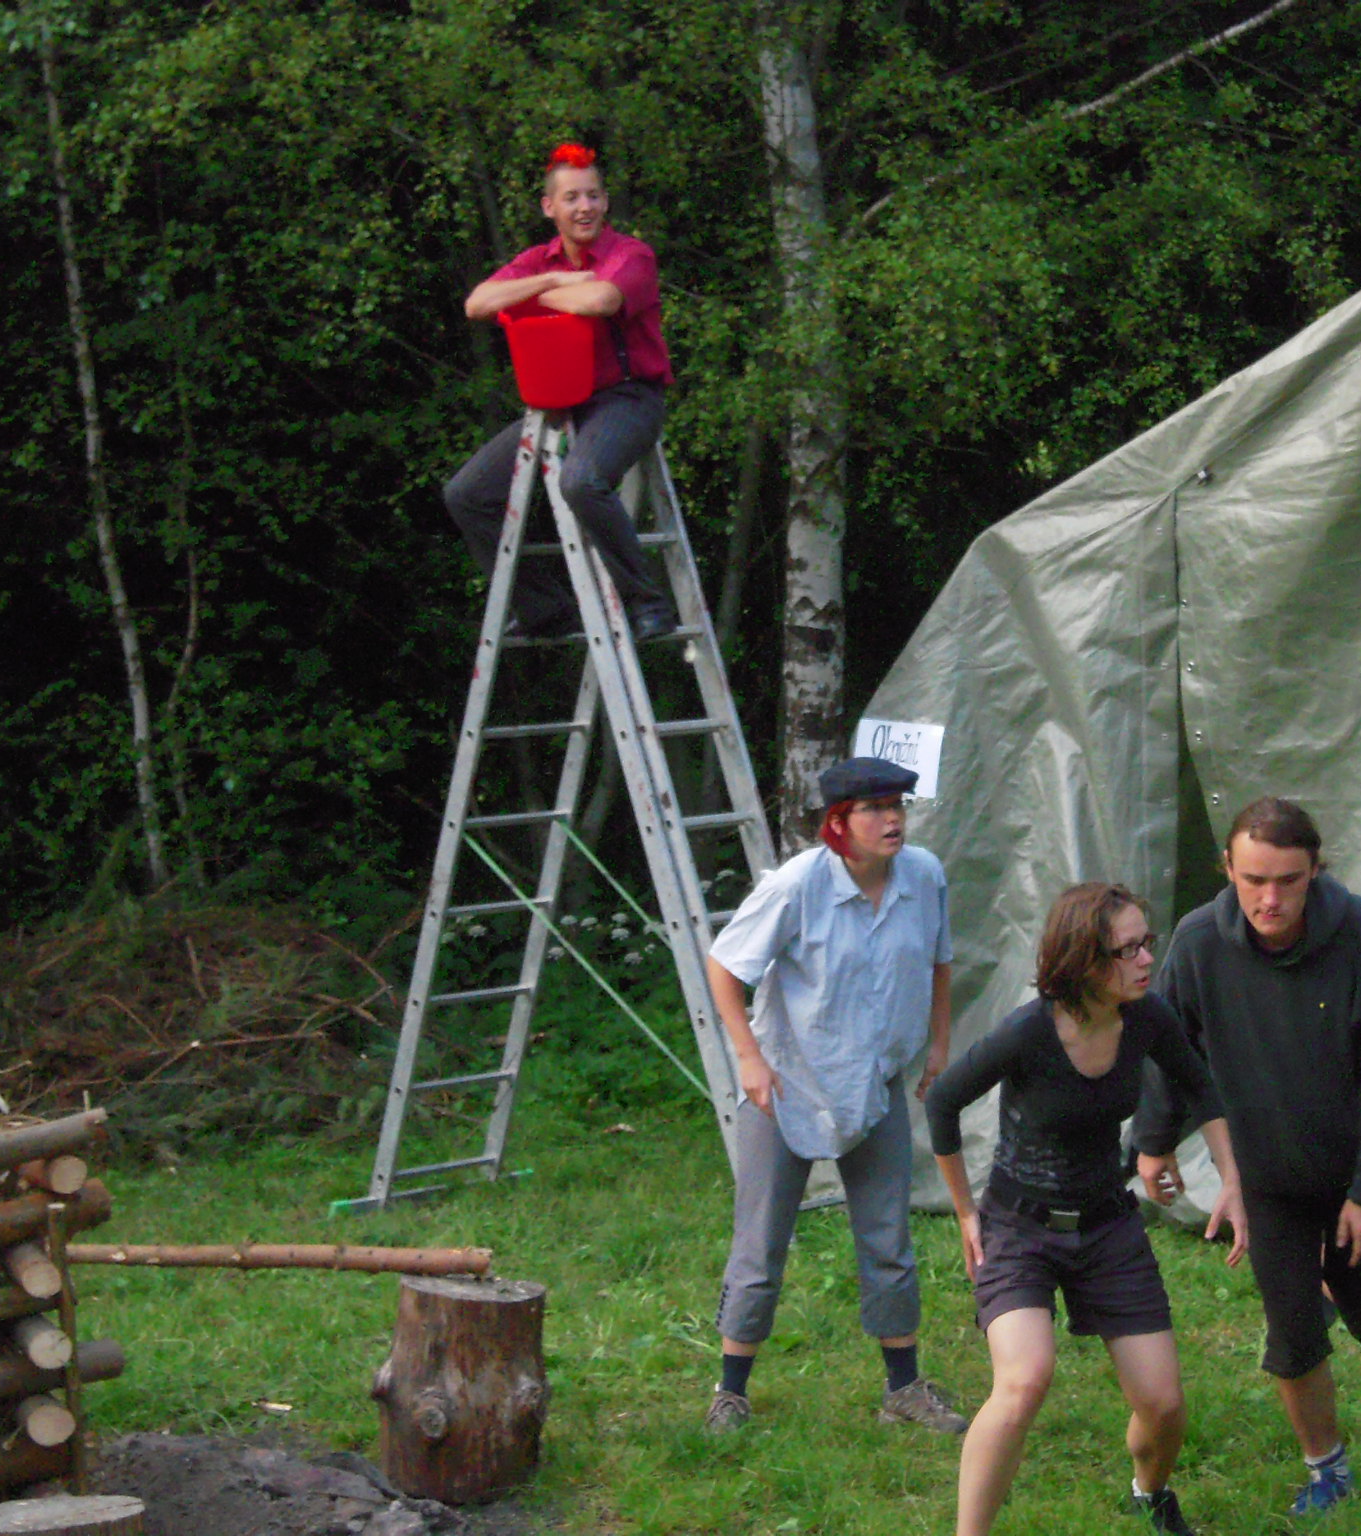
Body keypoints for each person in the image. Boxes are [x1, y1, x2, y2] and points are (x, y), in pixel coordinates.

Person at [927, 882, 1247, 1536]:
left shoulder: (1147, 1017)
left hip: (1107, 1227)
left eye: (1146, 943)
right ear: (1083, 961)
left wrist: (1233, 1181)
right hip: (1019, 1227)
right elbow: (942, 1101)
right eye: (1127, 950)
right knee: (1024, 1382)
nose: (1146, 959)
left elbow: (1201, 1087)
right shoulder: (1029, 1032)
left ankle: (1149, 1494)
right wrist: (964, 1212)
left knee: (1163, 1405)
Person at [1133, 796, 1361, 1516]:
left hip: (1356, 1166)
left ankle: (1328, 1296)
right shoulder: (1199, 942)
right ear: (1227, 869)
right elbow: (1170, 1046)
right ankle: (1327, 1468)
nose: (1270, 898)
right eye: (1253, 879)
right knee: (1292, 1335)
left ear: (1315, 870)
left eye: (1288, 880)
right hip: (1268, 1178)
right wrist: (1153, 1143)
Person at [702, 756, 968, 1436]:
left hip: (874, 1085)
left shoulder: (923, 876)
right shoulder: (798, 885)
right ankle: (730, 1392)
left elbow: (939, 962)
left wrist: (938, 1044)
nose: (893, 819)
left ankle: (903, 1389)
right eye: (875, 809)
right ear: (839, 823)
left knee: (888, 1239)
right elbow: (724, 966)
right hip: (787, 1084)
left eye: (898, 806)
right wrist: (750, 1059)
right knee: (761, 1246)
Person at [445, 142, 677, 643]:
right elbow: (477, 303)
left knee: (582, 481)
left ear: (606, 201)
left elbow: (601, 298)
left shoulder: (630, 255)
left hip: (628, 399)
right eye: (572, 198)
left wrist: (531, 296)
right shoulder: (540, 261)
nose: (584, 207)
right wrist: (550, 280)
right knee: (467, 495)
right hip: (560, 405)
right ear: (550, 207)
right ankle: (546, 610)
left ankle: (646, 602)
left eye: (593, 196)